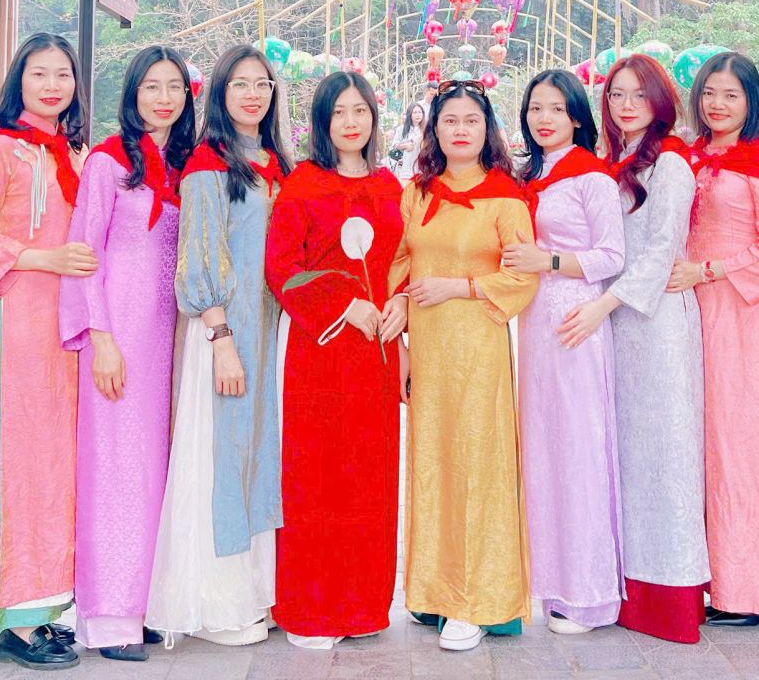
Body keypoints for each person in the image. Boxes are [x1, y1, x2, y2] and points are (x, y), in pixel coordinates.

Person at [0, 32, 97, 670]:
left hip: (69, 331)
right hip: (18, 325)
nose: (52, 85)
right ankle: (11, 621)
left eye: (63, 74)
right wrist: (42, 259)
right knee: (19, 465)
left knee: (59, 468)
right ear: (20, 81)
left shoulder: (76, 153)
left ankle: (44, 608)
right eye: (39, 73)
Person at [147, 45, 291, 646]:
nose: (252, 95)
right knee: (221, 458)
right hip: (224, 333)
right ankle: (213, 605)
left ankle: (254, 593)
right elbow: (200, 254)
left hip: (268, 333)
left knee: (257, 457)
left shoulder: (274, 163)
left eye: (262, 85)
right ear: (219, 95)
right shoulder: (208, 164)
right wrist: (221, 336)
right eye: (239, 85)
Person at [392, 80, 538, 652]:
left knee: (478, 465)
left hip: (478, 348)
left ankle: (475, 601)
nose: (460, 129)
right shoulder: (417, 194)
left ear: (487, 130)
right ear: (434, 129)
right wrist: (399, 337)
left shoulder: (506, 197)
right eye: (449, 120)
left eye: (471, 120)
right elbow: (398, 263)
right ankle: (434, 591)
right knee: (432, 463)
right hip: (429, 350)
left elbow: (521, 275)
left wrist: (460, 286)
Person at [60, 46, 196, 661]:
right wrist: (102, 339)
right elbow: (84, 254)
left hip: (170, 337)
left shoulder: (188, 165)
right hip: (119, 336)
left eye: (174, 88)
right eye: (151, 87)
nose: (163, 99)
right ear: (132, 93)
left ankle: (147, 605)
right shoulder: (108, 162)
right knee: (114, 470)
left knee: (156, 471)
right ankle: (109, 615)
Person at [668, 52, 759, 624]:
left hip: (745, 313)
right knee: (702, 442)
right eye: (709, 93)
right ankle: (708, 580)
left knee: (743, 444)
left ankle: (754, 588)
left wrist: (707, 271)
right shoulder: (693, 156)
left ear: (752, 100)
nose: (717, 104)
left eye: (731, 94)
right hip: (694, 309)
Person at [264, 72, 405, 649]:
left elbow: (407, 259)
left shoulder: (392, 187)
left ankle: (364, 605)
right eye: (339, 112)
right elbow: (281, 267)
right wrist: (345, 305)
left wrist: (401, 303)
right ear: (321, 121)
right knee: (317, 475)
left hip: (378, 351)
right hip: (320, 350)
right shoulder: (303, 185)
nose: (351, 122)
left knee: (371, 475)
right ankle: (313, 609)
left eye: (361, 111)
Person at [506, 69, 626, 635]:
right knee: (545, 453)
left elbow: (612, 256)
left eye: (556, 108)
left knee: (579, 453)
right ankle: (555, 586)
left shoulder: (591, 177)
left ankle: (590, 595)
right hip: (535, 327)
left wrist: (549, 262)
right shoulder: (530, 176)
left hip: (576, 321)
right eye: (535, 108)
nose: (544, 118)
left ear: (577, 116)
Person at [594, 54, 709, 643]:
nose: (627, 105)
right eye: (617, 94)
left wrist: (605, 304)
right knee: (626, 457)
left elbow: (662, 250)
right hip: (615, 325)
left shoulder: (671, 164)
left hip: (657, 324)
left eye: (639, 95)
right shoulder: (613, 164)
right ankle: (626, 588)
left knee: (666, 457)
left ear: (661, 101)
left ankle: (671, 598)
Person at [389, 100, 427, 183]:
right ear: (410, 114)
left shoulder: (426, 130)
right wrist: (405, 146)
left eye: (420, 112)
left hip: (421, 167)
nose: (418, 115)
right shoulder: (401, 129)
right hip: (405, 166)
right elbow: (394, 144)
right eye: (415, 112)